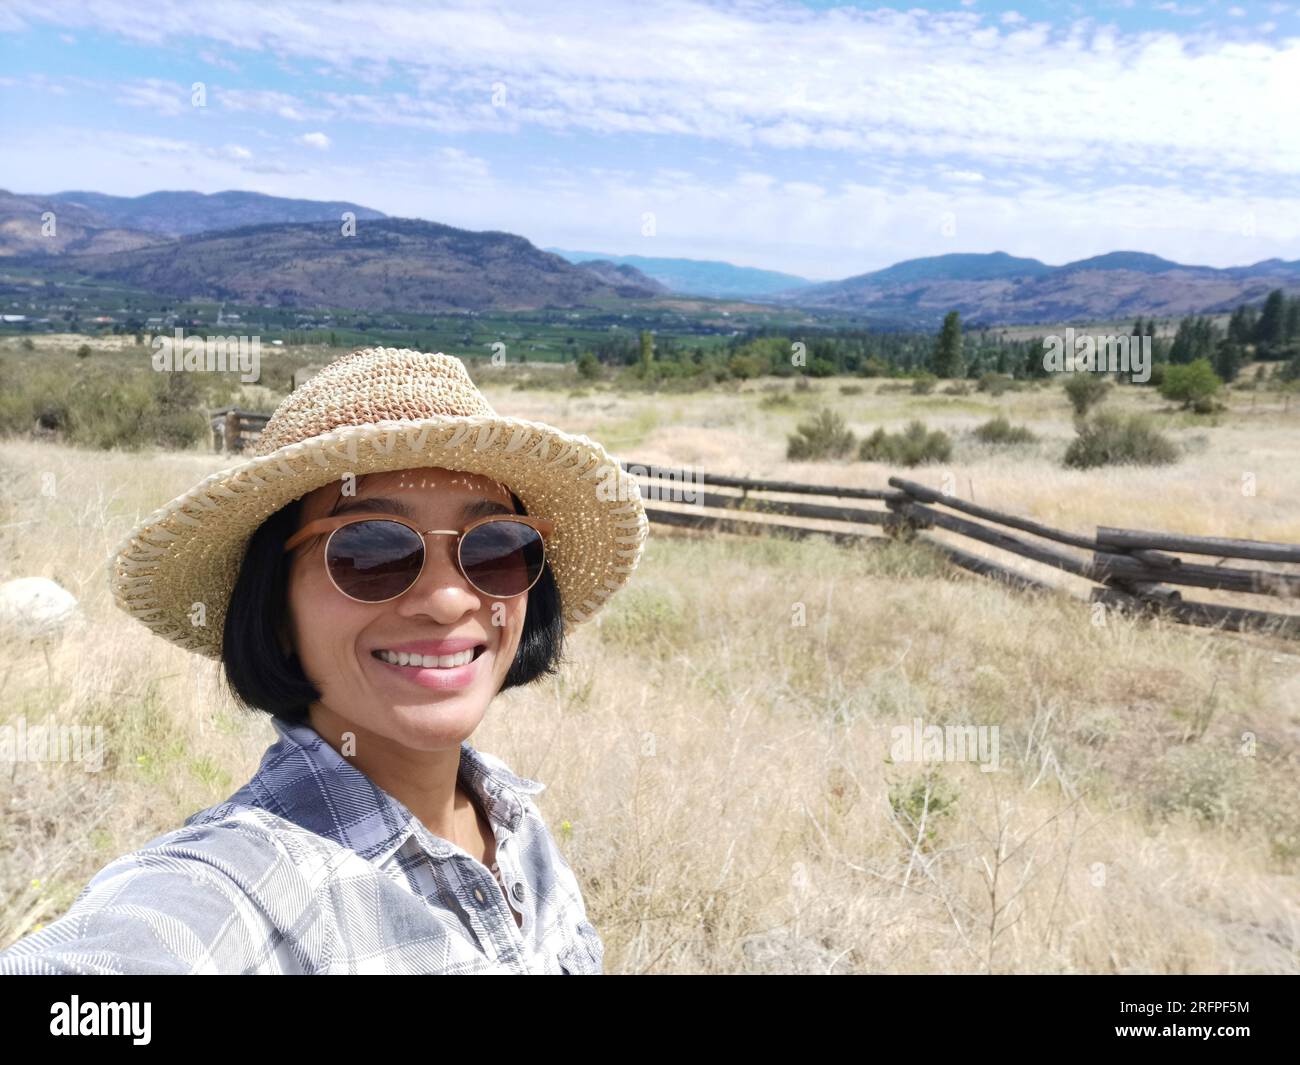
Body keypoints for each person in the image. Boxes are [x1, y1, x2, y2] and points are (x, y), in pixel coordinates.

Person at [0, 347, 649, 974]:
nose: (451, 599)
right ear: (275, 607)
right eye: (370, 552)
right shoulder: (239, 891)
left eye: (496, 548)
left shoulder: (512, 817)